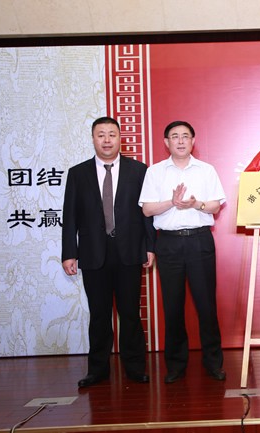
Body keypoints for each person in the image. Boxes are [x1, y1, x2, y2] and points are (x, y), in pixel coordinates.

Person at [62, 116, 156, 388]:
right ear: (93, 139)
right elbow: (70, 216)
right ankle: (97, 370)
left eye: (112, 134)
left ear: (119, 138)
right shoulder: (78, 173)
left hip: (129, 251)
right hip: (93, 252)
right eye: (101, 134)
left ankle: (135, 368)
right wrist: (69, 253)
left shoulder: (139, 171)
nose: (106, 140)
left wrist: (150, 247)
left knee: (130, 312)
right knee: (99, 314)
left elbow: (146, 213)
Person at [138, 120, 226, 383]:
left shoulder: (206, 170)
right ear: (166, 142)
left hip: (199, 241)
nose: (180, 141)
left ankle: (213, 363)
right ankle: (176, 365)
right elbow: (147, 209)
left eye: (185, 136)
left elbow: (215, 206)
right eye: (174, 136)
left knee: (206, 305)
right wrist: (172, 202)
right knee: (173, 305)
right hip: (169, 243)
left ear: (193, 141)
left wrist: (195, 204)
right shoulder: (155, 172)